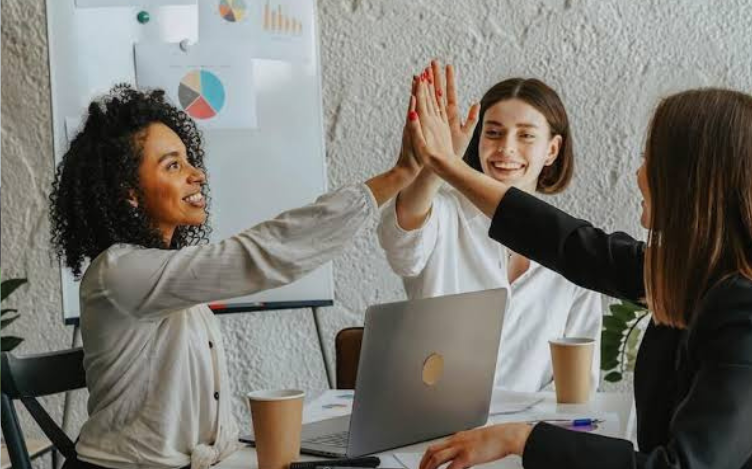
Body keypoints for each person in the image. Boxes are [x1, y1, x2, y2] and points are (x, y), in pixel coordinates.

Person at [49, 84, 422, 469]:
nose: (198, 175)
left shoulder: (163, 274)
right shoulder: (119, 272)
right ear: (129, 193)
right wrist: (400, 175)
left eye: (189, 160)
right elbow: (257, 255)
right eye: (173, 165)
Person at [407, 64, 752, 468]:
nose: (638, 173)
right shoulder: (691, 276)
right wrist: (449, 166)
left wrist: (524, 438)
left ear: (690, 183)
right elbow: (568, 243)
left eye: (649, 159)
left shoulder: (742, 312)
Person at [378, 61, 602, 392]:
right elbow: (400, 245)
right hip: (436, 427)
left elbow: (579, 382)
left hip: (527, 435)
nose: (506, 148)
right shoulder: (443, 213)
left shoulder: (574, 245)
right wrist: (439, 162)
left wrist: (526, 437)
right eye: (493, 132)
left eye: (525, 135)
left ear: (552, 150)